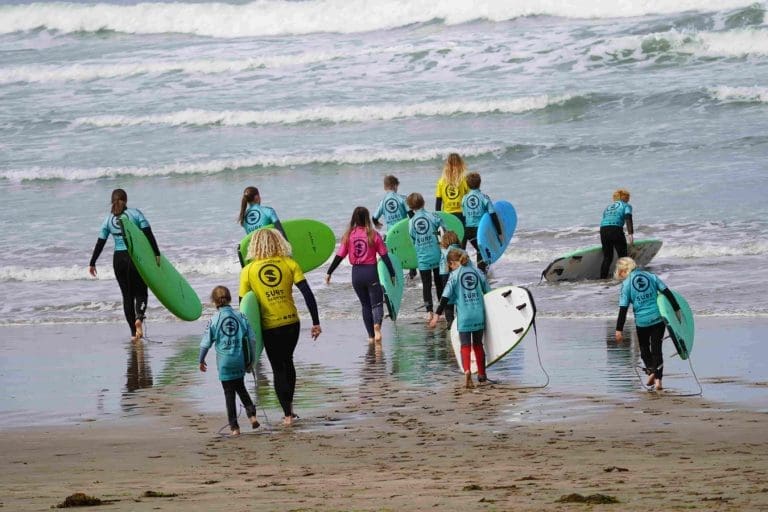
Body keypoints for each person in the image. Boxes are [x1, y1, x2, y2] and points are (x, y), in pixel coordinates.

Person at [239, 228, 321, 426]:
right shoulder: (289, 263)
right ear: (278, 242)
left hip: (270, 326)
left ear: (255, 246)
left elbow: (244, 306)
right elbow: (308, 294)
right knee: (288, 362)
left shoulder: (248, 270)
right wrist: (316, 322)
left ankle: (287, 415)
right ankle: (290, 410)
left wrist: (246, 340)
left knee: (277, 368)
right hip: (292, 322)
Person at [89, 188, 160, 340]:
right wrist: (156, 253)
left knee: (127, 297)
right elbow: (148, 233)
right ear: (126, 200)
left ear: (112, 201)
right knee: (141, 291)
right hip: (135, 259)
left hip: (119, 260)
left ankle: (134, 334)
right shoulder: (135, 214)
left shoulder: (108, 220)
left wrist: (92, 262)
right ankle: (139, 318)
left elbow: (100, 242)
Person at [325, 207, 396, 343]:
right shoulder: (373, 234)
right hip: (371, 272)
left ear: (354, 219)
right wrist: (392, 273)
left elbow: (339, 256)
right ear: (367, 218)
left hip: (356, 274)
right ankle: (377, 327)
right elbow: (384, 256)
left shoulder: (348, 235)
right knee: (377, 304)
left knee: (365, 305)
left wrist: (329, 272)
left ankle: (370, 336)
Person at [199, 286, 259, 437]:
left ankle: (235, 428)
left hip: (224, 363)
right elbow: (252, 339)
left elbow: (205, 343)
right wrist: (251, 359)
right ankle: (252, 416)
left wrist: (201, 359)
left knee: (229, 394)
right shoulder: (241, 316)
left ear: (214, 301)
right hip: (239, 360)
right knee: (241, 388)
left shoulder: (214, 320)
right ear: (230, 298)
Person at [614, 257, 681, 391]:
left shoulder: (626, 284)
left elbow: (623, 308)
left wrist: (619, 330)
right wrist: (677, 310)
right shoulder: (650, 276)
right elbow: (667, 292)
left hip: (642, 322)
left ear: (623, 271)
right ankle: (658, 381)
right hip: (658, 319)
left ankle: (651, 371)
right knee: (657, 350)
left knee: (644, 350)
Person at [429, 248, 491, 388]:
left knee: (465, 346)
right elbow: (489, 293)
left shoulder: (454, 275)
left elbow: (445, 297)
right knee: (478, 344)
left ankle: (468, 370)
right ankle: (482, 375)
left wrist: (436, 316)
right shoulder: (478, 271)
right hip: (478, 314)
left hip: (464, 316)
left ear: (452, 263)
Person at [407, 192, 445, 322]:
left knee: (426, 284)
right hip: (436, 254)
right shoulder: (433, 216)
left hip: (423, 257)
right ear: (423, 202)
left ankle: (429, 312)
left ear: (411, 207)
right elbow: (443, 231)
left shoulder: (411, 222)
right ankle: (442, 310)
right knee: (439, 282)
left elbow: (412, 238)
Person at [372, 175, 417, 279]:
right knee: (409, 248)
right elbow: (410, 214)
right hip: (404, 231)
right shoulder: (402, 199)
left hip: (391, 233)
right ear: (395, 186)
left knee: (394, 254)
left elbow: (374, 217)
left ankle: (396, 276)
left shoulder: (383, 202)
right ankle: (412, 271)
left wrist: (377, 224)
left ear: (385, 187)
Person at [461, 172, 503, 273]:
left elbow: (464, 216)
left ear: (467, 184)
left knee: (479, 250)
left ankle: (470, 271)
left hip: (467, 230)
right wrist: (499, 232)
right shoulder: (484, 198)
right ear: (480, 183)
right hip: (479, 230)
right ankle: (482, 273)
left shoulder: (464, 198)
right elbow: (493, 215)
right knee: (482, 251)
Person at [435, 153, 469, 244]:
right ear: (460, 163)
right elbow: (469, 198)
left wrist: (438, 220)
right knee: (462, 242)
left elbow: (438, 202)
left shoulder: (441, 181)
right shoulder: (464, 179)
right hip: (462, 215)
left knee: (450, 244)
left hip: (447, 217)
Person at [600, 188, 634, 279]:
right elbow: (628, 218)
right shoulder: (626, 206)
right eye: (628, 197)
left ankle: (602, 280)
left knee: (607, 258)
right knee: (623, 257)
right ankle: (624, 278)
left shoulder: (607, 207)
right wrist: (630, 234)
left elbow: (604, 219)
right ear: (625, 198)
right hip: (616, 230)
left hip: (603, 230)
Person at [438, 230, 462, 326]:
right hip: (459, 274)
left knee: (448, 298)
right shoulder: (461, 250)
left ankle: (450, 321)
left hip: (446, 274)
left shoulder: (445, 250)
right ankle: (460, 318)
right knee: (459, 296)